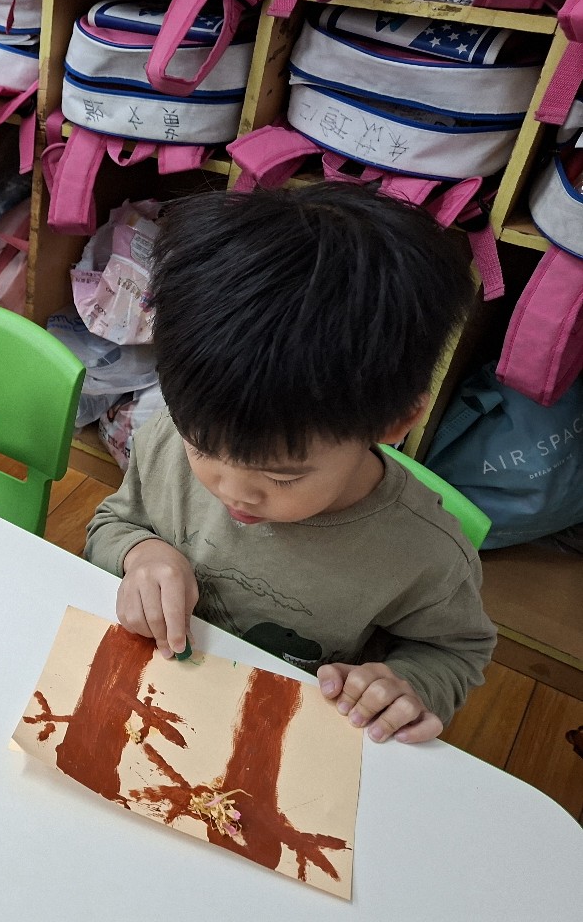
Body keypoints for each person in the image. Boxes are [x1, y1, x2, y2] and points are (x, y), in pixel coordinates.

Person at [84, 183, 497, 744]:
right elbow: (114, 522)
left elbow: (455, 651)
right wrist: (140, 553)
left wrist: (408, 686)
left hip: (287, 737)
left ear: (394, 423)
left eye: (281, 476)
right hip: (156, 701)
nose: (233, 491)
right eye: (202, 448)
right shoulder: (167, 439)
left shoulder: (425, 555)